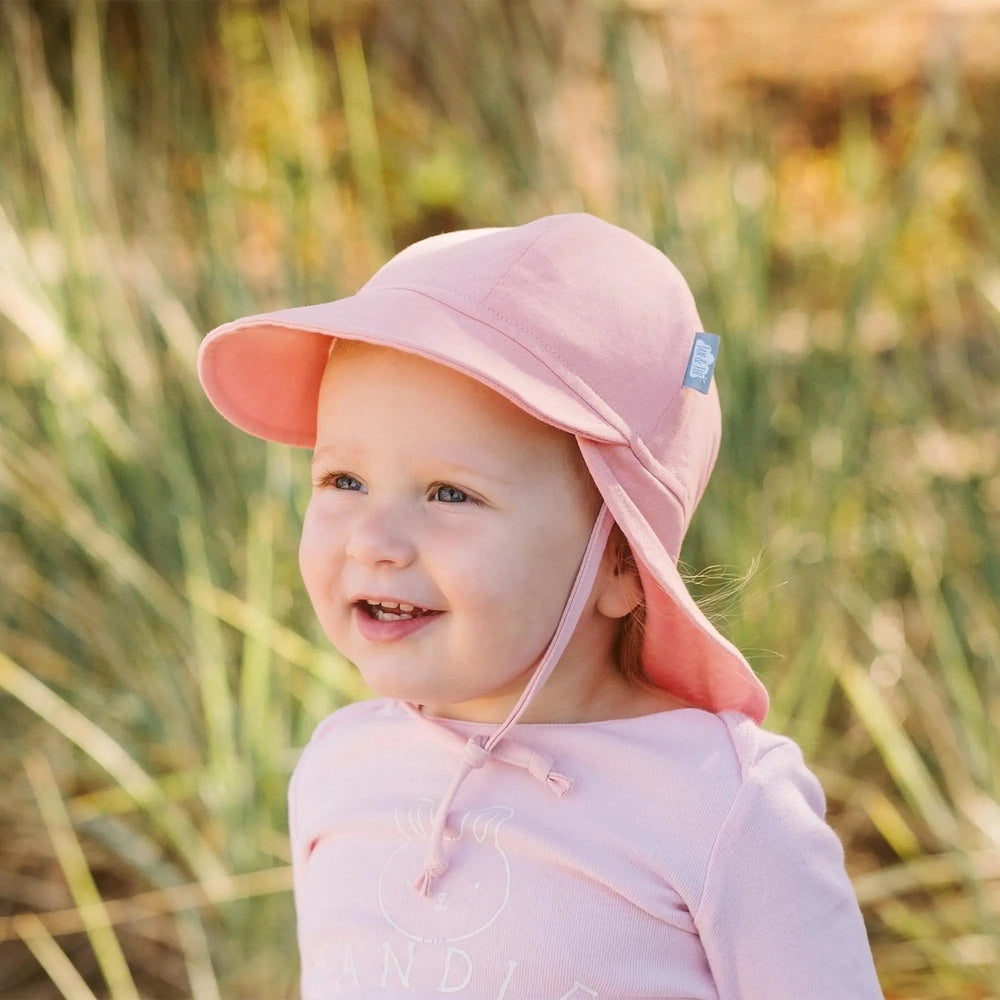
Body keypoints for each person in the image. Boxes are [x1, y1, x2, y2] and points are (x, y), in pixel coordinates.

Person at [197, 214, 883, 999]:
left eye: (449, 493)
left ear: (621, 562)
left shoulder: (724, 805)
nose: (374, 540)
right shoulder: (337, 768)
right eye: (342, 481)